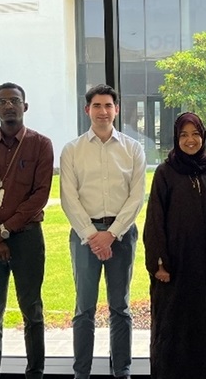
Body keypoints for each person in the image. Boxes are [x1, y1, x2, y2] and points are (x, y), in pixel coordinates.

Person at [143, 112, 206, 379]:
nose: (190, 140)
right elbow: (155, 218)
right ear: (176, 138)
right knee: (176, 325)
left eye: (195, 134)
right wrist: (159, 261)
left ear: (203, 136)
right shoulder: (165, 172)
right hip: (177, 266)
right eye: (184, 135)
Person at [0, 82, 54, 379]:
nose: (8, 106)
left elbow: (39, 195)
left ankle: (36, 373)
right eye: (2, 101)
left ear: (24, 107)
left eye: (14, 101)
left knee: (32, 310)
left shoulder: (41, 144)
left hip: (27, 237)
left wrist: (4, 230)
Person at [60, 84, 146, 379]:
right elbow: (69, 198)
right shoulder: (72, 150)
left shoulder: (133, 149)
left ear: (116, 110)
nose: (103, 111)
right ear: (88, 110)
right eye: (97, 106)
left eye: (108, 106)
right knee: (84, 308)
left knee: (120, 307)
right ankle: (81, 372)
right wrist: (92, 235)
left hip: (121, 235)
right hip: (85, 236)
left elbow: (137, 197)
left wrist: (112, 234)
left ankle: (121, 371)